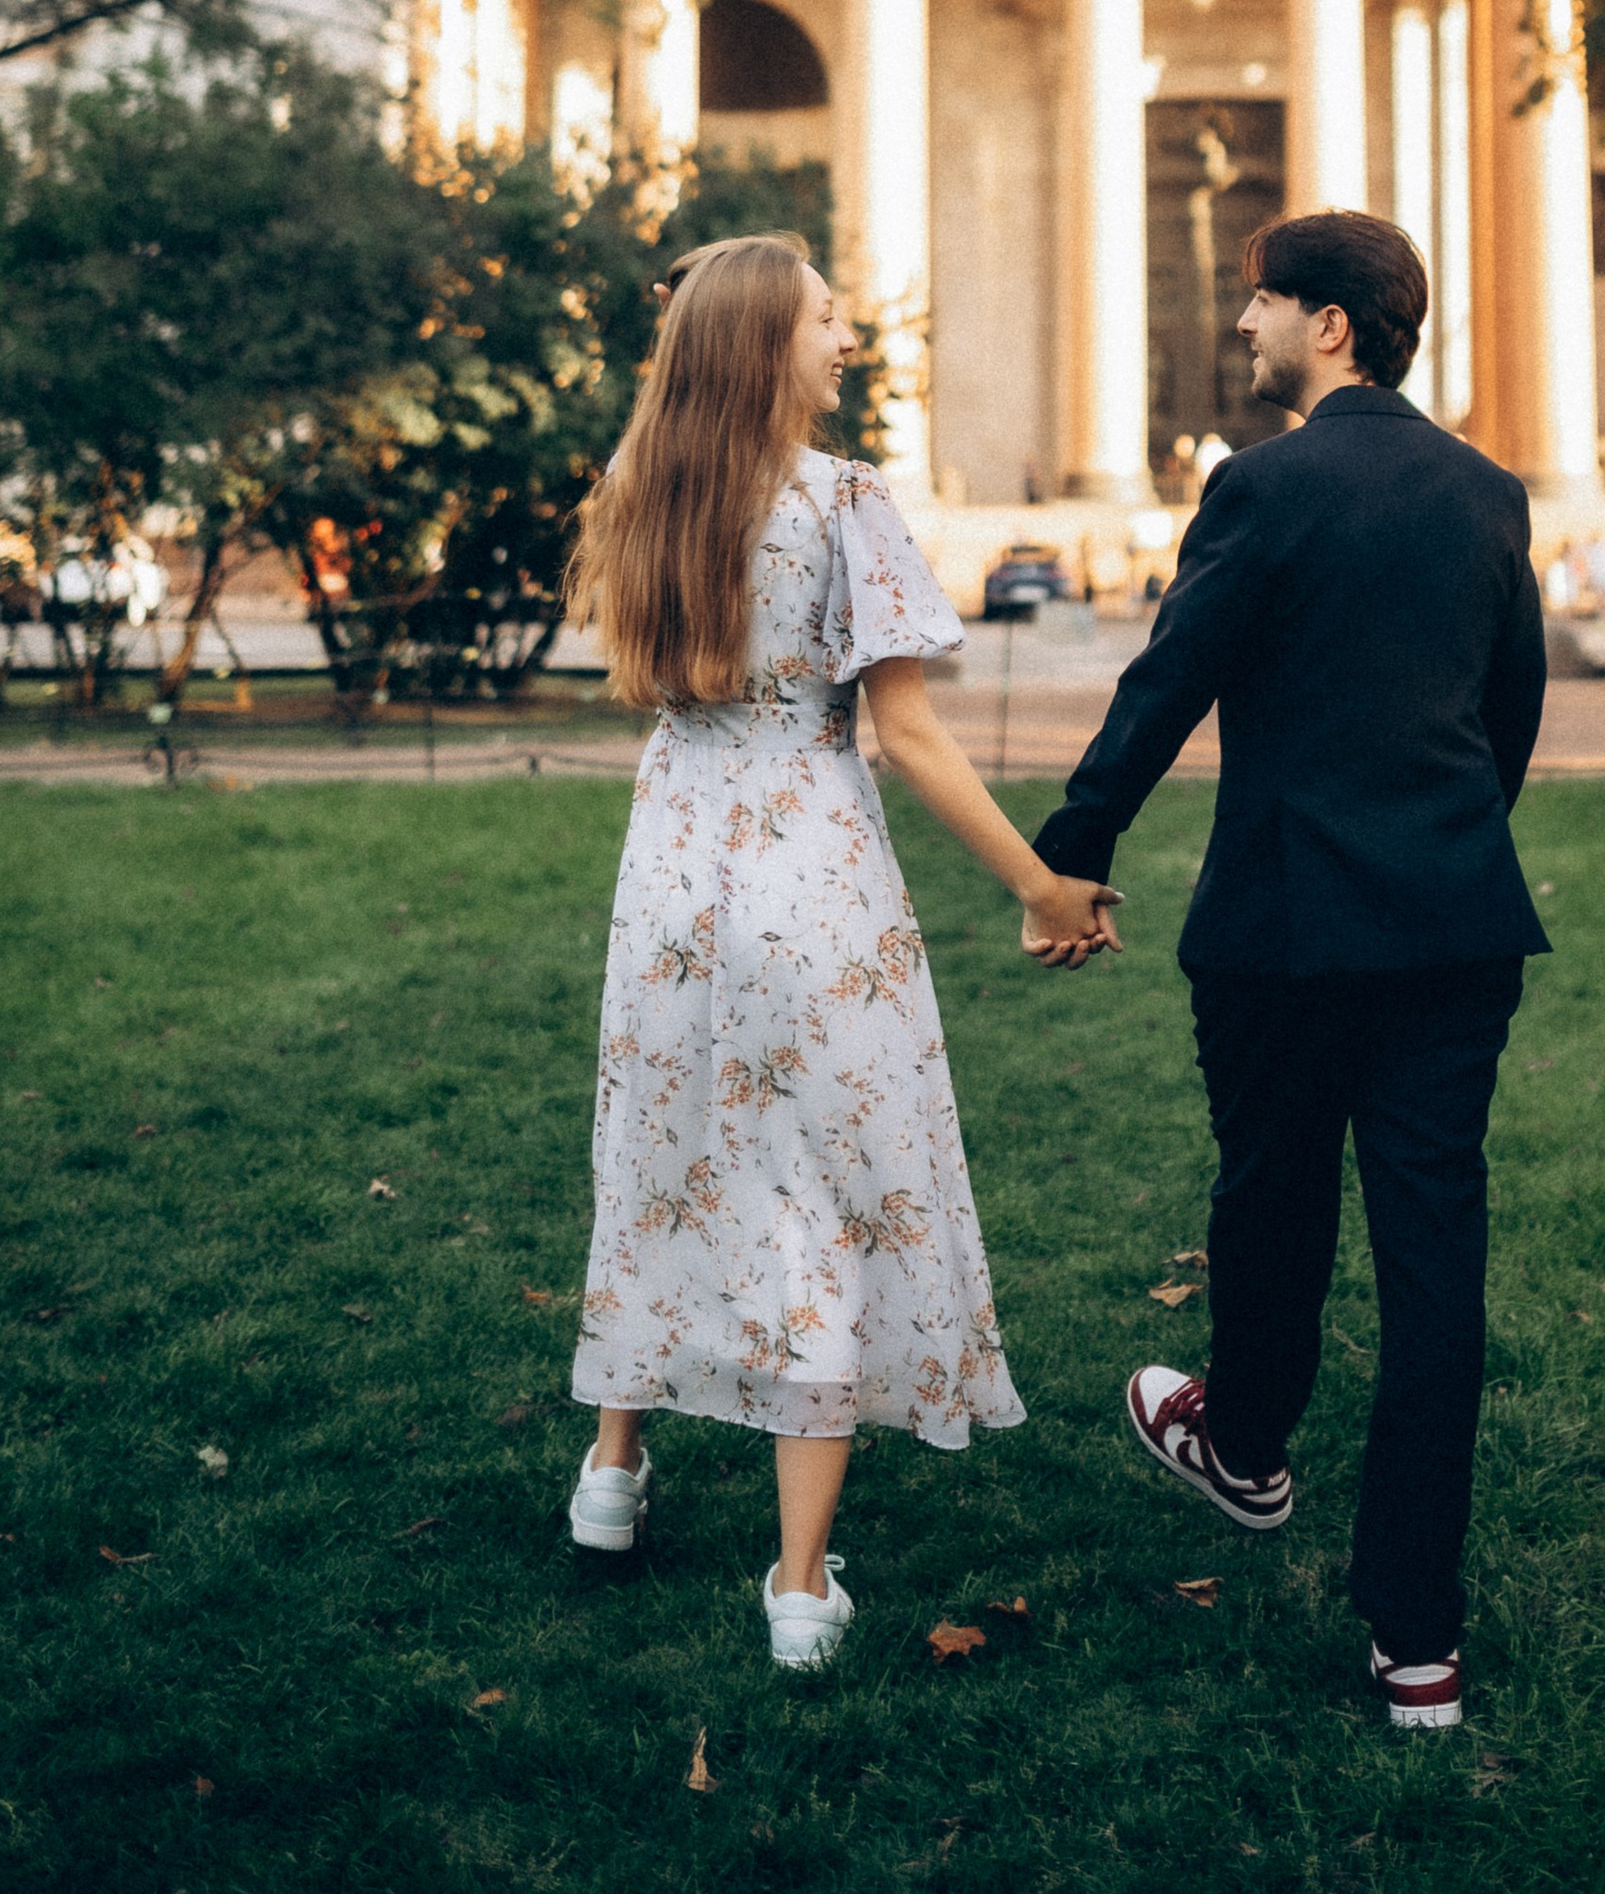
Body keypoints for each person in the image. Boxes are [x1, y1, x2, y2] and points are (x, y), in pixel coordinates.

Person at [561, 232, 1118, 1668]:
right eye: (825, 319)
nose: (848, 337)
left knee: (662, 1154)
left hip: (671, 873)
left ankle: (612, 1473)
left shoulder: (637, 487)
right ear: (766, 347)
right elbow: (908, 734)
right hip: (808, 881)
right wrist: (1044, 886)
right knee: (812, 1193)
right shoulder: (843, 499)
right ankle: (800, 1588)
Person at [1031, 208, 1547, 1733]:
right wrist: (1445, 845)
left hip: (1282, 927)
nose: (1243, 323)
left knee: (1273, 1197)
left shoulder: (1261, 486)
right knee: (1435, 1266)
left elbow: (1169, 682)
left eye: (1262, 301)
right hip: (1454, 927)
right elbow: (1509, 711)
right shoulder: (1490, 491)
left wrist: (1074, 851)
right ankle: (1418, 1646)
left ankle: (1246, 1449)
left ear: (1330, 324)